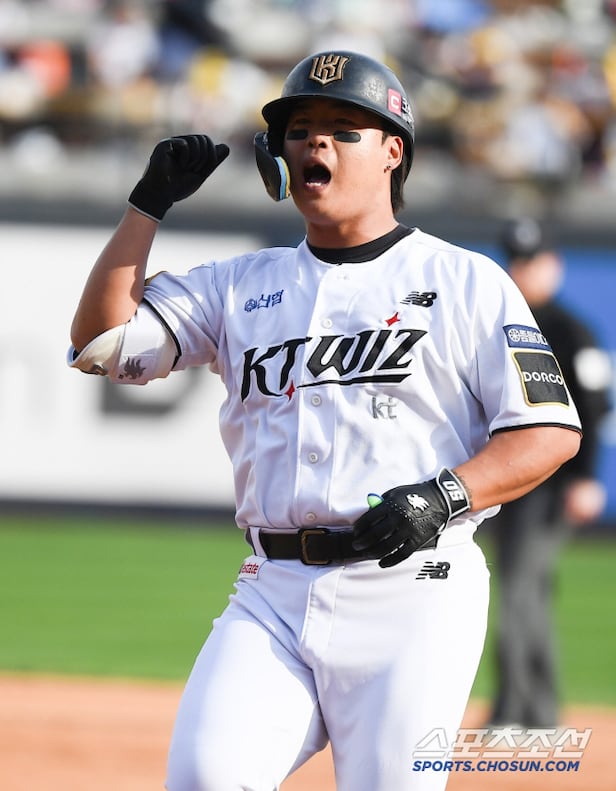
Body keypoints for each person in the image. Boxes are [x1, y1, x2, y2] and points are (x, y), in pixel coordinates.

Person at [68, 51, 582, 791]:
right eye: (301, 127)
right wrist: (145, 206)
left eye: (344, 128)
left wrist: (443, 496)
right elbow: (102, 343)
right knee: (206, 778)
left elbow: (548, 431)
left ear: (393, 151)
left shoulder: (465, 279)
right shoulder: (240, 284)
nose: (317, 141)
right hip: (271, 590)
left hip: (415, 590)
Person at [486, 216, 612, 730]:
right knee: (526, 591)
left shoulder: (571, 330)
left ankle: (513, 712)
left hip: (552, 483)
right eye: (516, 260)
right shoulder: (500, 324)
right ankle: (538, 712)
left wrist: (587, 478)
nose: (524, 269)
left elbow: (595, 409)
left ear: (554, 264)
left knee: (519, 590)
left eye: (533, 260)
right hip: (507, 481)